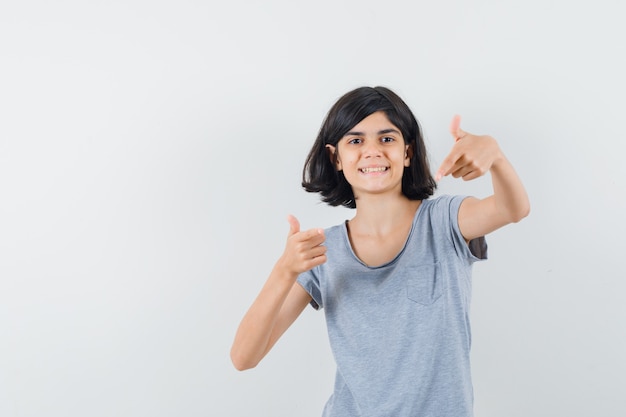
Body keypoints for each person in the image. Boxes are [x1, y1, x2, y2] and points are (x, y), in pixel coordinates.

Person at [230, 86, 530, 416]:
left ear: (407, 152)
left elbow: (512, 209)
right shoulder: (322, 251)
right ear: (336, 158)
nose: (372, 151)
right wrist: (284, 270)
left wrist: (496, 157)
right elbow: (244, 357)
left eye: (387, 139)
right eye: (356, 141)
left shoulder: (445, 221)